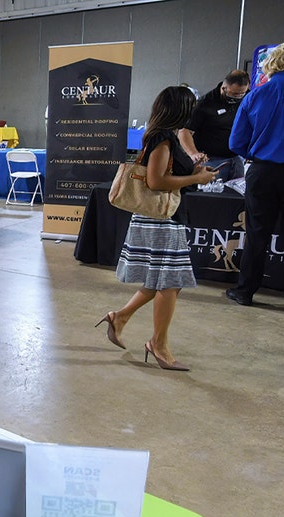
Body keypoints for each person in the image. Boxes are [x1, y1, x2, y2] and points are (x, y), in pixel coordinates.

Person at [97, 86, 217, 371]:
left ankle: (120, 318)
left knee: (159, 282)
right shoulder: (163, 138)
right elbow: (156, 181)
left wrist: (194, 168)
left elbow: (165, 174)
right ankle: (158, 344)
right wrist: (196, 179)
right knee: (170, 282)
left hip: (165, 217)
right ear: (181, 110)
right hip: (162, 220)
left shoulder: (164, 136)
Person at [226, 43, 284, 311]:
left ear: (271, 64)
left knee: (256, 234)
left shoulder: (255, 96)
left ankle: (245, 291)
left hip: (262, 171)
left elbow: (236, 142)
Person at [178, 70, 250, 181]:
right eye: (235, 94)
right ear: (224, 88)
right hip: (212, 159)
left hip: (236, 158)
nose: (238, 97)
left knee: (236, 196)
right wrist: (193, 154)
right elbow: (184, 131)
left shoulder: (248, 97)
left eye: (242, 94)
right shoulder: (205, 103)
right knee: (212, 196)